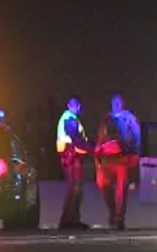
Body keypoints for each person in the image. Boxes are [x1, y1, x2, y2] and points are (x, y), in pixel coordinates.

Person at [94, 92, 141, 230]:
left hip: (123, 159)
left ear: (123, 103)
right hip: (107, 159)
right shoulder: (106, 119)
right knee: (103, 185)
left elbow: (137, 138)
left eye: (119, 102)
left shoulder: (129, 118)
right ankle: (113, 212)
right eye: (114, 102)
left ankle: (119, 218)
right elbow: (100, 138)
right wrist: (97, 158)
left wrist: (134, 158)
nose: (116, 105)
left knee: (121, 190)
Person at [56, 96, 95, 230]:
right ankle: (68, 220)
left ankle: (72, 219)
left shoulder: (71, 118)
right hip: (71, 157)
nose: (78, 107)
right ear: (69, 105)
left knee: (75, 189)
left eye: (78, 104)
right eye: (76, 105)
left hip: (72, 157)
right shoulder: (69, 118)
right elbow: (76, 139)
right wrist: (92, 148)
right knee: (75, 189)